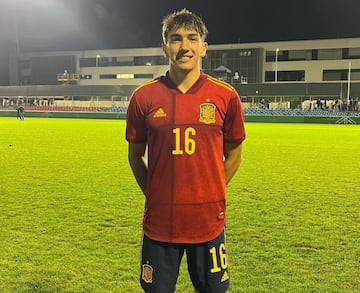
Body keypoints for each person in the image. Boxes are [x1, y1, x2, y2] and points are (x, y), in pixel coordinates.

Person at [126, 8, 246, 293]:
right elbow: (135, 157)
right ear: (164, 47)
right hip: (160, 224)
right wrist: (156, 193)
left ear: (204, 47)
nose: (184, 46)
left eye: (192, 38)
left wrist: (211, 191)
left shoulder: (225, 96)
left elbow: (235, 154)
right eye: (176, 39)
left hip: (208, 222)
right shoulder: (143, 97)